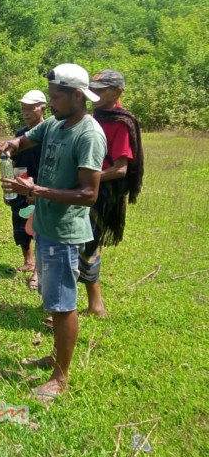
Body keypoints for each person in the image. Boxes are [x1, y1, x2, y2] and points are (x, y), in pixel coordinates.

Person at [0, 63, 106, 400]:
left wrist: (36, 190)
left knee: (63, 303)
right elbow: (25, 139)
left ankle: (60, 377)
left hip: (65, 230)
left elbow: (89, 194)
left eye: (56, 97)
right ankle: (54, 357)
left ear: (77, 96)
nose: (50, 103)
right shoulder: (55, 124)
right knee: (53, 301)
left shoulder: (88, 135)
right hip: (45, 224)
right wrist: (9, 145)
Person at [78, 69, 144, 318]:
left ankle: (96, 305)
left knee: (87, 244)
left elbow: (120, 169)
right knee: (78, 242)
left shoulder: (120, 122)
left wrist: (88, 178)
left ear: (118, 92)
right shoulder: (93, 115)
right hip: (85, 186)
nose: (95, 93)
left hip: (101, 192)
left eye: (101, 89)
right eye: (93, 88)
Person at [6, 90, 46, 288]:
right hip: (20, 183)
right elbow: (15, 163)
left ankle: (39, 271)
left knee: (40, 229)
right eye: (23, 108)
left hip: (41, 185)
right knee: (20, 224)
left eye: (31, 108)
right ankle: (28, 261)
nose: (26, 112)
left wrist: (36, 190)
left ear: (43, 109)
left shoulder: (50, 133)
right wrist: (9, 190)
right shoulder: (21, 134)